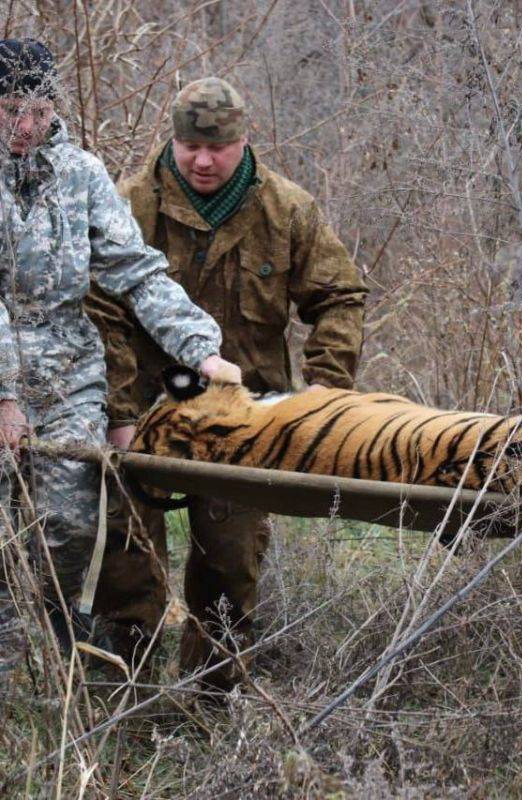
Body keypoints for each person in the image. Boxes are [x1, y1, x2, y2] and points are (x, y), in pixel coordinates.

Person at [86, 76, 367, 687]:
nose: (203, 160)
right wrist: (118, 414)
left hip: (246, 424)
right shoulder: (129, 203)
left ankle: (213, 707)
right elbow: (101, 311)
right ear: (174, 140)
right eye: (190, 147)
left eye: (218, 148)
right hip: (141, 418)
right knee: (126, 572)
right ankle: (121, 708)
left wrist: (324, 399)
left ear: (245, 140)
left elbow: (340, 297)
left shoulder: (286, 208)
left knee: (230, 572)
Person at [0, 41, 240, 651]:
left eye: (38, 111)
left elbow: (136, 271)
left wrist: (199, 348)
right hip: (3, 364)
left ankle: (55, 652)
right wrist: (3, 395)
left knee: (70, 524)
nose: (24, 126)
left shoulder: (81, 174)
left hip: (67, 370)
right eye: (8, 110)